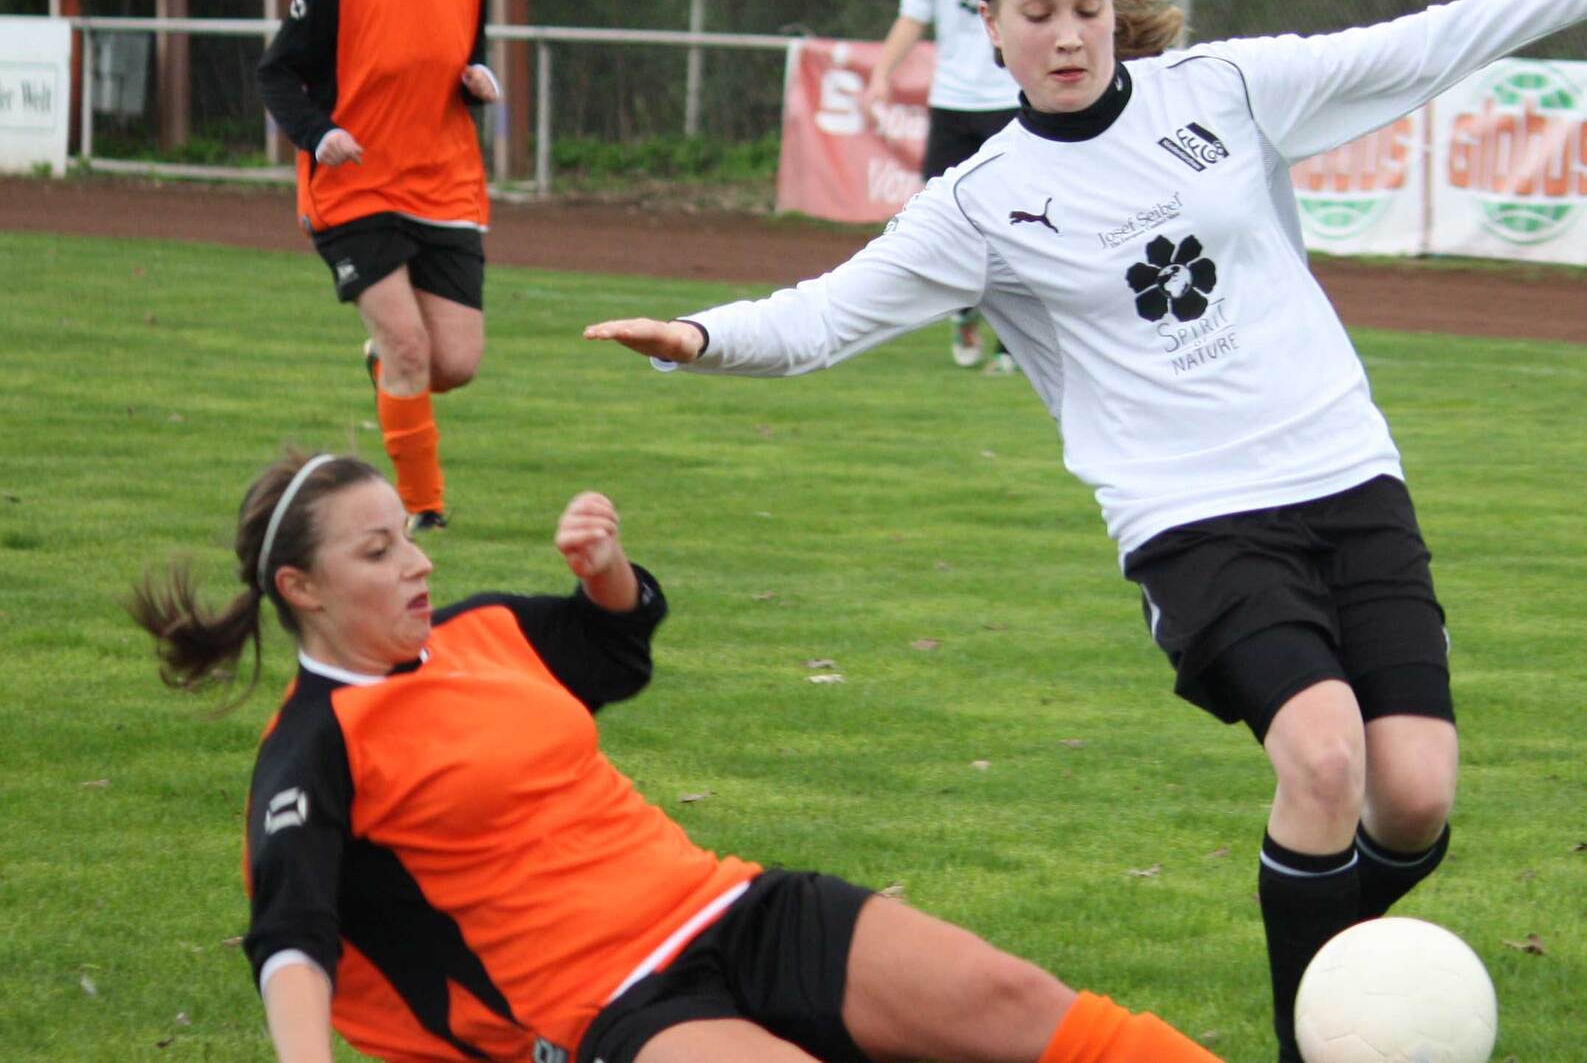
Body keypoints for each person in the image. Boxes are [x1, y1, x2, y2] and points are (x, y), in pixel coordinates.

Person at [583, 0, 1587, 1060]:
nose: (1068, 33)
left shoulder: (1226, 90)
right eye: (1036, 13)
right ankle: (1320, 1039)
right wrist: (699, 334)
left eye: (1088, 7)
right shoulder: (979, 203)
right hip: (1192, 519)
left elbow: (1429, 36)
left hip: (1347, 474)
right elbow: (827, 313)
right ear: (990, 27)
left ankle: (1347, 976)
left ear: (1115, 10)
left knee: (1413, 795)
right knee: (1324, 754)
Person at [131, 450, 1226, 1063]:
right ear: (302, 590)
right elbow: (291, 935)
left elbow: (611, 646)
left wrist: (605, 569)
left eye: (411, 535)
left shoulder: (480, 633)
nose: (415, 562)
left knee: (1008, 994)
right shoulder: (309, 752)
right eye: (379, 551)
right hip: (610, 1010)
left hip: (730, 906)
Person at [257, 0, 500, 538]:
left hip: (446, 185)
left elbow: (458, 49)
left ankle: (386, 365)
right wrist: (317, 134)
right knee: (410, 350)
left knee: (453, 363)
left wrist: (475, 77)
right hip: (354, 188)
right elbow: (276, 71)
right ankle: (422, 507)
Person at [861, 0, 1021, 373]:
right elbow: (913, 16)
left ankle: (1012, 341)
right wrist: (882, 75)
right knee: (946, 219)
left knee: (1015, 224)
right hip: (952, 104)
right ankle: (964, 311)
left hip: (1012, 104)